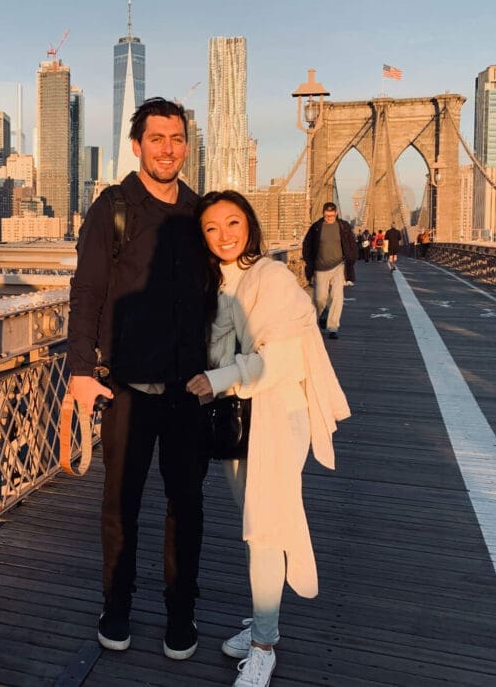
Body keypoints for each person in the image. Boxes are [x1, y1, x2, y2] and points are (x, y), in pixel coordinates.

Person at [186, 191, 350, 687]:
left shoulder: (273, 278)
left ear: (250, 225)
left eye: (232, 223)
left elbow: (281, 359)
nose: (224, 236)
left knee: (264, 528)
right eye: (211, 228)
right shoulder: (217, 282)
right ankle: (263, 621)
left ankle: (263, 647)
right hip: (239, 421)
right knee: (259, 523)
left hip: (278, 414)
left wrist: (215, 380)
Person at [67, 97, 209, 660]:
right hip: (127, 389)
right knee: (120, 505)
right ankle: (117, 606)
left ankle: (181, 614)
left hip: (189, 392)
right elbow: (87, 292)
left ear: (185, 145)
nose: (168, 149)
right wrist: (79, 369)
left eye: (176, 139)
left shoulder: (200, 211)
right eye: (157, 139)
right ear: (137, 145)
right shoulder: (113, 208)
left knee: (186, 505)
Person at [302, 202, 358, 340]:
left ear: (336, 214)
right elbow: (307, 244)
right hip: (320, 268)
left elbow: (351, 242)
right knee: (320, 298)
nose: (330, 218)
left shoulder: (343, 226)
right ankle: (324, 313)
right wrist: (309, 261)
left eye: (332, 216)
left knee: (337, 297)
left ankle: (333, 327)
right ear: (323, 214)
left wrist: (352, 257)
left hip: (339, 265)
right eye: (327, 216)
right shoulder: (316, 227)